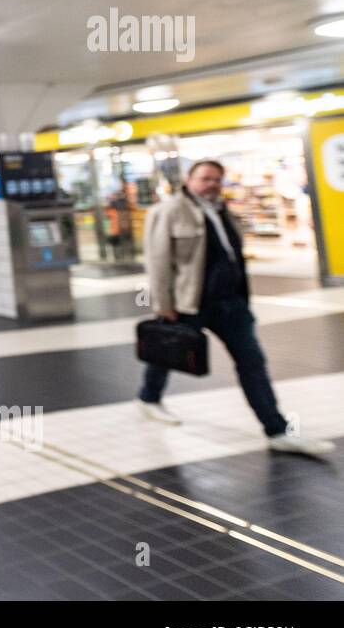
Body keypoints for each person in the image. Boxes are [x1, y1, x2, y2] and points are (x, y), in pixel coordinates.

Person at [138, 159, 334, 455]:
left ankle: (276, 430)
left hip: (230, 303)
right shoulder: (168, 211)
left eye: (217, 179)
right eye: (205, 178)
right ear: (189, 180)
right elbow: (158, 261)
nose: (212, 184)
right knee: (167, 353)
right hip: (189, 302)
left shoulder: (221, 210)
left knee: (252, 362)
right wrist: (164, 304)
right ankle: (149, 397)